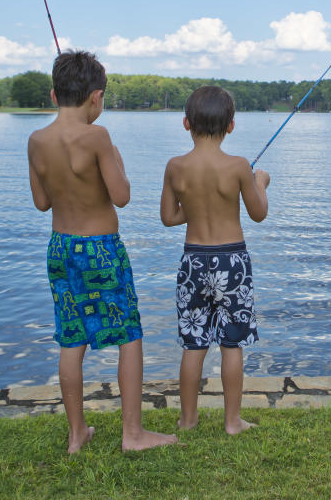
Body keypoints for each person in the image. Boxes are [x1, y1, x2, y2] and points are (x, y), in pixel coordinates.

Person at [28, 50, 177, 453]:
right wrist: (116, 160)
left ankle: (77, 434)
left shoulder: (36, 140)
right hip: (101, 250)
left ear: (54, 95)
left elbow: (42, 202)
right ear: (96, 97)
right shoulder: (98, 137)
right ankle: (133, 434)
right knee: (128, 335)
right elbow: (122, 196)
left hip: (61, 248)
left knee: (71, 338)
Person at [160, 85, 270, 435]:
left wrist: (194, 208)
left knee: (194, 343)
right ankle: (232, 420)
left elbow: (168, 216)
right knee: (231, 342)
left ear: (185, 123)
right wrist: (261, 182)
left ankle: (187, 419)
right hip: (232, 262)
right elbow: (258, 213)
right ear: (232, 126)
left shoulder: (175, 166)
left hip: (193, 261)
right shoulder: (238, 166)